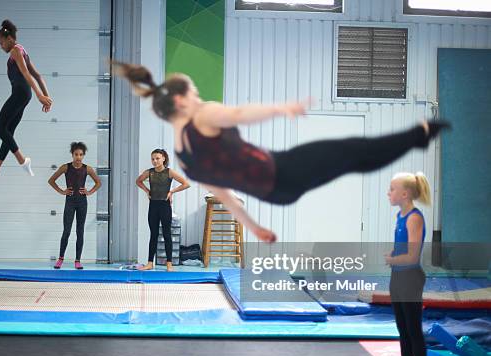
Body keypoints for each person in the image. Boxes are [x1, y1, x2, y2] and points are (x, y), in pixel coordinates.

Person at [113, 61, 450, 242]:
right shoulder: (202, 115)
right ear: (180, 101)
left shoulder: (183, 156)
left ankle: (416, 138)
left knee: (353, 160)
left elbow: (224, 196)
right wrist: (283, 108)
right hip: (284, 168)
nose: (200, 98)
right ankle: (417, 136)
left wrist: (254, 226)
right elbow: (242, 113)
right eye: (196, 93)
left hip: (278, 194)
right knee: (354, 151)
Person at [0, 19, 53, 188]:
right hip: (24, 95)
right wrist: (46, 96)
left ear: (9, 39)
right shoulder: (22, 50)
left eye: (1, 43)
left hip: (21, 93)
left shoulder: (15, 51)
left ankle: (23, 160)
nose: (1, 47)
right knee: (8, 131)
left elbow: (27, 75)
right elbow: (38, 75)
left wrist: (40, 96)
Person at [381, 172, 431, 356]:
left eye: (392, 189)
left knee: (414, 332)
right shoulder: (400, 216)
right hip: (398, 278)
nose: (388, 193)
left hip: (410, 278)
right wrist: (394, 254)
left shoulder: (413, 217)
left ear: (405, 193)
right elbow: (403, 249)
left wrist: (392, 259)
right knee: (403, 330)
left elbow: (412, 257)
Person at [48, 142, 102, 269]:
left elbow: (98, 182)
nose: (78, 157)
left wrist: (89, 192)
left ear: (83, 155)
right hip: (70, 202)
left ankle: (77, 260)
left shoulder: (87, 168)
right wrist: (62, 191)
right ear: (72, 155)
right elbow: (51, 180)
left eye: (81, 155)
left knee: (80, 231)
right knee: (66, 230)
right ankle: (60, 258)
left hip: (82, 202)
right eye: (76, 154)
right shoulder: (65, 167)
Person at [136, 149, 190, 271]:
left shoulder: (169, 172)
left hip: (165, 206)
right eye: (153, 159)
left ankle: (169, 263)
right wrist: (147, 190)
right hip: (153, 206)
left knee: (167, 234)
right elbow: (138, 181)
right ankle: (150, 263)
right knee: (153, 235)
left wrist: (171, 192)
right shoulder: (149, 172)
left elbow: (186, 184)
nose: (155, 161)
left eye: (157, 158)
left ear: (163, 158)